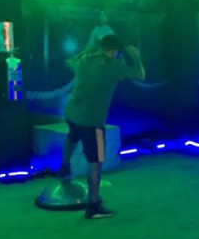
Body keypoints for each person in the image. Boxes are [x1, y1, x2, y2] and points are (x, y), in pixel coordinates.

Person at [60, 34, 145, 219]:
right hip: (92, 121)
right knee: (95, 162)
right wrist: (136, 57)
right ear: (113, 51)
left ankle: (64, 167)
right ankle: (93, 206)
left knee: (72, 136)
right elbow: (140, 75)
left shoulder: (85, 58)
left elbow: (69, 62)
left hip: (72, 112)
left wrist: (91, 56)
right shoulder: (114, 65)